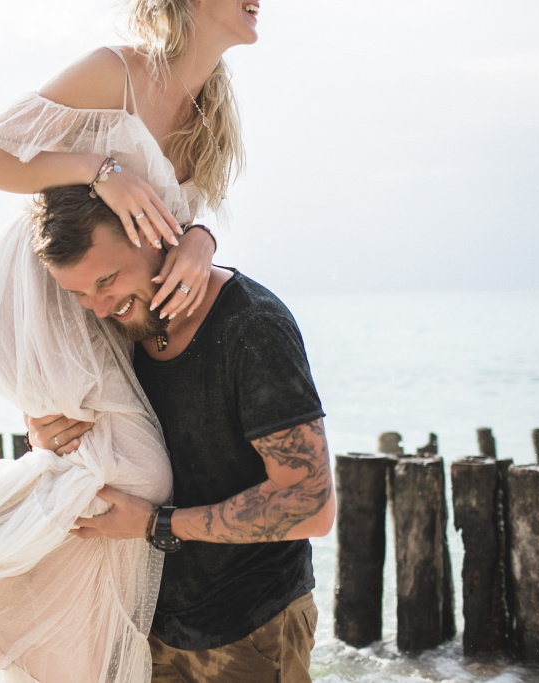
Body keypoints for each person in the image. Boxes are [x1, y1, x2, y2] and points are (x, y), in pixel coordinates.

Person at [0, 2, 261, 681]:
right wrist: (101, 170)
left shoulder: (211, 110)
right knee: (139, 474)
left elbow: (180, 208)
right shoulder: (116, 72)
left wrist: (201, 237)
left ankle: (59, 653)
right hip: (32, 289)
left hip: (92, 298)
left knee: (103, 471)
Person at [27, 183, 335, 683]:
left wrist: (156, 524)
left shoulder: (252, 327)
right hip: (144, 629)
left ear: (152, 239)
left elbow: (311, 505)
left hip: (250, 629)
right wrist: (47, 437)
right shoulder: (112, 329)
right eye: (80, 293)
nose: (100, 307)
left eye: (107, 280)